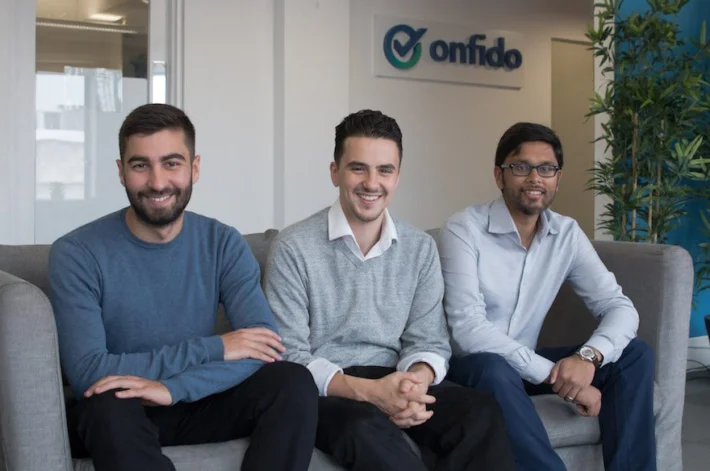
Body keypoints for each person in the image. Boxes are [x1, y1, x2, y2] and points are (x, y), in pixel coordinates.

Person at [48, 103, 318, 471]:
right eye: (140, 165)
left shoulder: (222, 242)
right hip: (123, 411)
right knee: (107, 401)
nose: (158, 182)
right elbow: (89, 371)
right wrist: (216, 347)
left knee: (292, 382)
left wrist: (174, 389)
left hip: (198, 398)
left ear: (195, 168)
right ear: (121, 171)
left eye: (171, 163)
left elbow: (263, 347)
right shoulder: (77, 253)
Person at [263, 109, 515, 471]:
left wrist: (414, 386)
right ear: (335, 172)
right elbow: (289, 356)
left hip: (396, 376)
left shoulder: (420, 247)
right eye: (358, 168)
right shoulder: (293, 247)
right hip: (329, 388)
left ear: (397, 176)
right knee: (363, 427)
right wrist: (370, 393)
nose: (372, 183)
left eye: (385, 170)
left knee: (479, 412)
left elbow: (429, 341)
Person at [439, 122, 655, 471]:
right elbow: (467, 330)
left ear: (558, 178)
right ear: (499, 175)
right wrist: (558, 375)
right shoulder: (463, 228)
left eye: (546, 169)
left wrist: (587, 358)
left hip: (524, 370)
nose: (534, 179)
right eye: (521, 167)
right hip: (467, 370)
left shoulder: (566, 234)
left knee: (634, 354)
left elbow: (618, 307)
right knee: (492, 367)